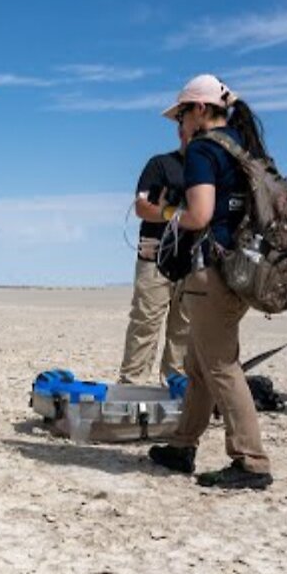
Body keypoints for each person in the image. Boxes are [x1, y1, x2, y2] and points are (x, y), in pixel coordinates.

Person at [147, 74, 272, 490]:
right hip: (241, 270)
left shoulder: (204, 149)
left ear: (200, 109)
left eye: (181, 114)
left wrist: (164, 217)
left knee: (220, 365)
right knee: (199, 365)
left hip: (211, 271)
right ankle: (182, 445)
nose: (179, 124)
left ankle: (250, 460)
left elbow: (199, 215)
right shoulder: (241, 147)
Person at [118, 114, 191, 385]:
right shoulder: (161, 165)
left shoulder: (207, 174)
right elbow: (141, 207)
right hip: (156, 256)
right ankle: (131, 387)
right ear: (180, 131)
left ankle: (176, 389)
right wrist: (175, 213)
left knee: (185, 330)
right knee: (145, 324)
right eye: (186, 128)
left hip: (194, 260)